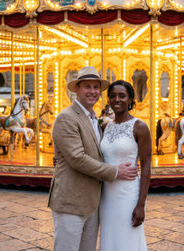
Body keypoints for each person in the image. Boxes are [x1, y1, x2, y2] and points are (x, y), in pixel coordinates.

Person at [48, 66, 138, 251]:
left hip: (92, 202)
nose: (92, 91)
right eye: (87, 86)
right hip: (71, 201)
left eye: (96, 87)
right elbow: (77, 158)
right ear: (77, 89)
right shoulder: (66, 117)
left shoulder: (93, 118)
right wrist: (115, 171)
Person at [99, 80, 151, 251]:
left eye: (122, 96)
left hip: (127, 194)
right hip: (106, 195)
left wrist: (141, 204)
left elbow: (146, 167)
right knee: (109, 237)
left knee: (128, 239)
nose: (117, 100)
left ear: (130, 99)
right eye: (112, 96)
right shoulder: (106, 126)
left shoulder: (140, 127)